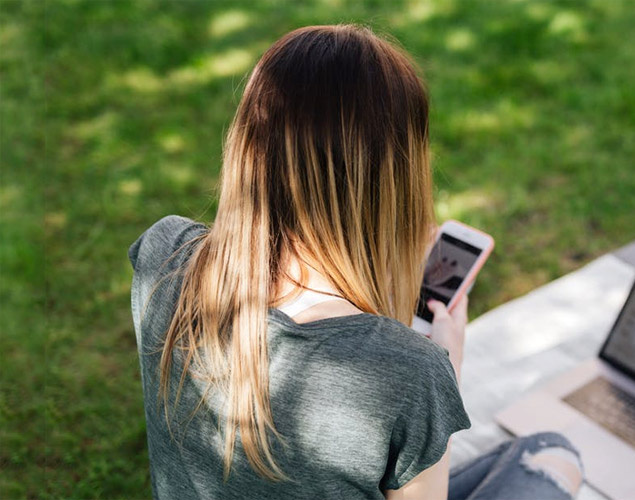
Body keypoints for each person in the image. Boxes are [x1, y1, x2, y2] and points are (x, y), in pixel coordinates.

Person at [127, 25, 583, 500]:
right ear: (395, 178)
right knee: (552, 457)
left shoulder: (163, 254)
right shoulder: (412, 371)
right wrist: (446, 366)